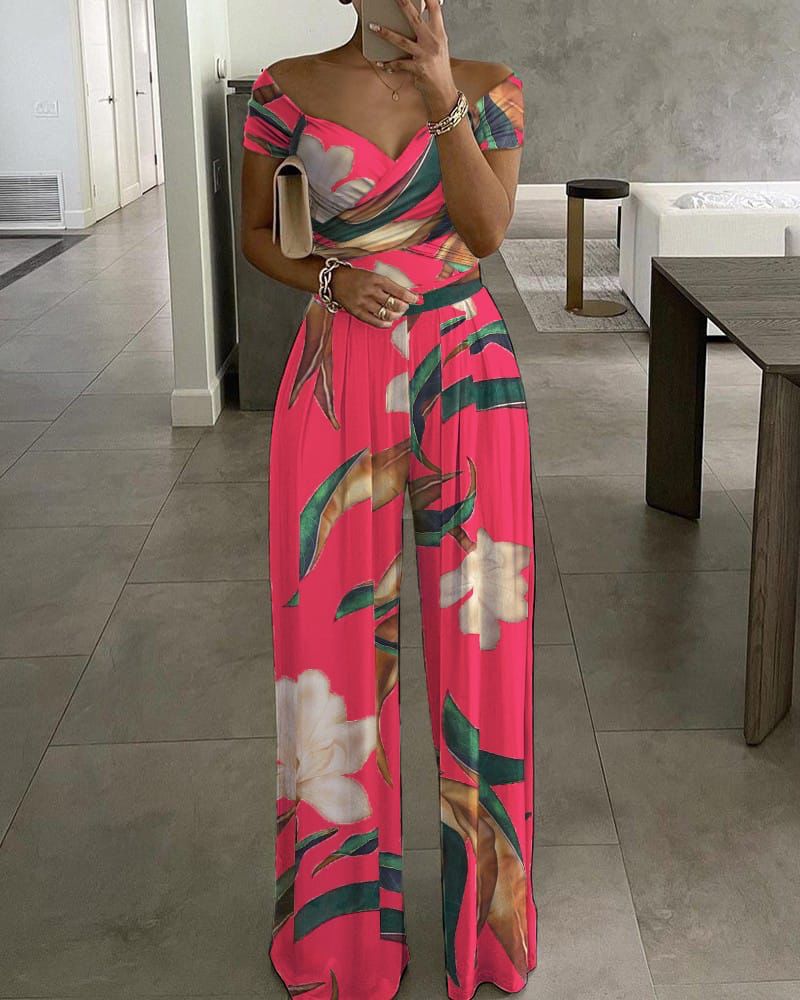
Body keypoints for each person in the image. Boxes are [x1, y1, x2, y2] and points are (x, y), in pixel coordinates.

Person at [240, 1, 537, 997]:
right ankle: (339, 937)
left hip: (469, 373)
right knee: (329, 647)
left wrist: (444, 94)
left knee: (484, 648)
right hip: (337, 381)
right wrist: (329, 276)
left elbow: (485, 232)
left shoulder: (491, 88)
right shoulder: (283, 90)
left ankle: (486, 929)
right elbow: (257, 233)